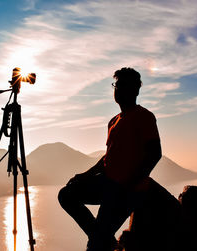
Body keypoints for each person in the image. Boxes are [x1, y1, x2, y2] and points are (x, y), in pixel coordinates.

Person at [58, 67, 162, 251]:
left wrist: (129, 185)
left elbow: (154, 154)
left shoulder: (144, 117)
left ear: (136, 89)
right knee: (66, 194)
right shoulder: (114, 121)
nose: (119, 89)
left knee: (96, 245)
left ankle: (102, 239)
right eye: (117, 85)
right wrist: (85, 175)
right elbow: (108, 157)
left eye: (124, 85)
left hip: (127, 190)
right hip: (107, 184)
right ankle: (104, 238)